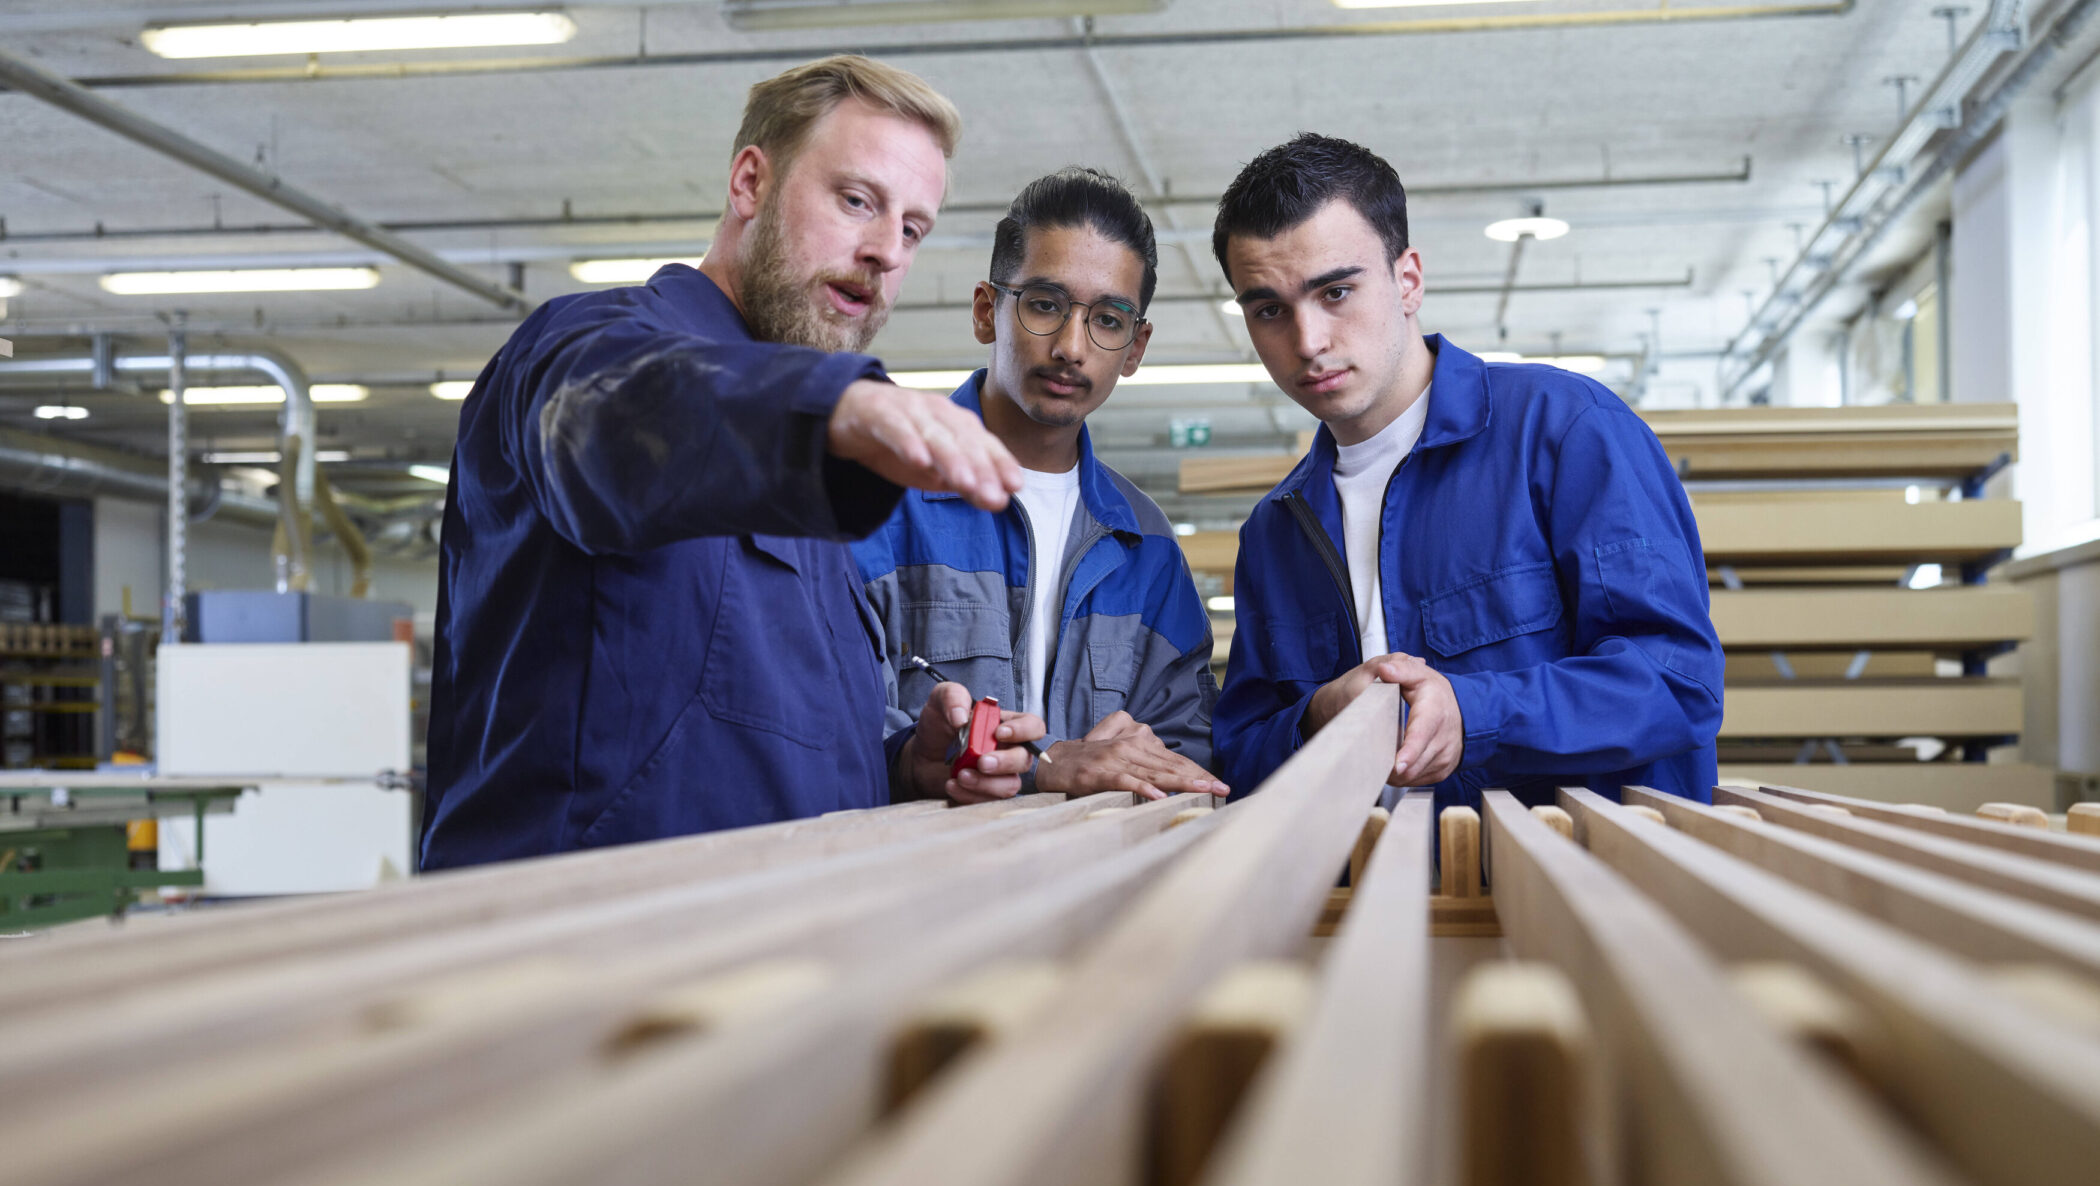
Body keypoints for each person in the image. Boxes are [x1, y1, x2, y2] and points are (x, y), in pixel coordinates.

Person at [419, 56, 1039, 871]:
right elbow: (621, 416)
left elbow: (744, 735)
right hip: (576, 956)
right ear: (751, 183)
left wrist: (904, 763)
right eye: (857, 201)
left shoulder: (814, 481)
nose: (886, 251)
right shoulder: (587, 350)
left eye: (913, 229)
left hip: (755, 957)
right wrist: (839, 405)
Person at [1209, 134, 1723, 811]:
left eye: (1335, 292)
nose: (1307, 342)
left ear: (1408, 279)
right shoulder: (1277, 531)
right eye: (1269, 310)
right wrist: (1313, 721)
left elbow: (1677, 681)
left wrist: (1475, 712)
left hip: (1580, 895)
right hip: (1373, 900)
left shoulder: (1565, 431)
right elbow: (1239, 757)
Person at [853, 168, 1224, 804]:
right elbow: (828, 724)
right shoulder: (878, 494)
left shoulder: (1148, 547)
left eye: (1108, 319)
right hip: (910, 888)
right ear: (984, 312)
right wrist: (1040, 766)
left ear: (1135, 349)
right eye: (1045, 305)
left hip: (1090, 893)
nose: (1071, 347)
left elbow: (1188, 754)